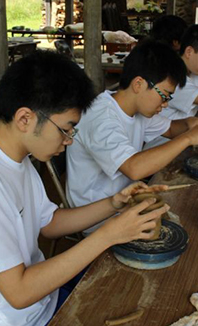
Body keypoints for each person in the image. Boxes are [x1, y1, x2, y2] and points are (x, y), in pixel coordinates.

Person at [0, 50, 170, 326]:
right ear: (24, 119)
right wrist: (108, 235)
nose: (68, 141)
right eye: (66, 129)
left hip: (47, 299)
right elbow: (18, 293)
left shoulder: (21, 160)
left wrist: (114, 203)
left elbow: (49, 223)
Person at [66, 38, 198, 236]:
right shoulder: (101, 116)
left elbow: (171, 129)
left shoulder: (137, 109)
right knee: (190, 225)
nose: (165, 105)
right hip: (96, 216)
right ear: (138, 84)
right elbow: (134, 168)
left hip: (125, 200)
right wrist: (188, 138)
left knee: (191, 208)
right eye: (164, 96)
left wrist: (191, 123)